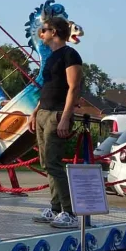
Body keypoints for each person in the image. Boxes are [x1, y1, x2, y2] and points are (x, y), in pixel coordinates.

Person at [27, 16, 84, 230]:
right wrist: (35, 112)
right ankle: (56, 207)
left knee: (54, 163)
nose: (41, 33)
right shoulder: (51, 57)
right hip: (44, 111)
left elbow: (74, 87)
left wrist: (66, 117)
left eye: (44, 30)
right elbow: (47, 88)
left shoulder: (70, 55)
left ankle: (69, 212)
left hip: (58, 114)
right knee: (46, 163)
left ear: (55, 31)